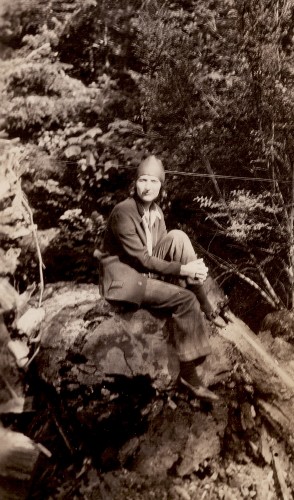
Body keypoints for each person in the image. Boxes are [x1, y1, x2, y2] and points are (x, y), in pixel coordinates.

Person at [101, 155, 222, 402]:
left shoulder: (156, 212)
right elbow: (143, 260)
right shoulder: (122, 212)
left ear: (161, 187)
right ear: (135, 184)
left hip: (143, 275)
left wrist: (191, 268)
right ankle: (189, 374)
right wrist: (184, 271)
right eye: (143, 180)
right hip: (124, 280)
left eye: (154, 182)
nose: (147, 186)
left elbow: (165, 251)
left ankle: (204, 300)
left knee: (178, 236)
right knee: (185, 300)